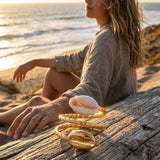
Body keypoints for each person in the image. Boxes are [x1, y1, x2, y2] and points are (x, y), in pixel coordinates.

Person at [0, 0, 144, 140]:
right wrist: (35, 62)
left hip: (104, 114)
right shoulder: (116, 33)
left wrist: (54, 107)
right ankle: (42, 116)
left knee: (37, 102)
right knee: (53, 73)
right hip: (114, 104)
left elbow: (92, 91)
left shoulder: (105, 39)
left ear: (112, 4)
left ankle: (32, 117)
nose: (86, 0)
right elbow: (74, 59)